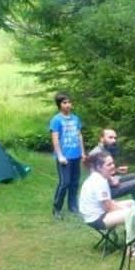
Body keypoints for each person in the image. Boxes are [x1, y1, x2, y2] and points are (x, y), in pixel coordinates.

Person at [50, 91, 86, 219]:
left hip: (75, 155)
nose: (68, 105)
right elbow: (55, 138)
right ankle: (57, 209)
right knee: (65, 182)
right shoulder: (56, 120)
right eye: (65, 103)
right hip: (64, 157)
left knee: (75, 182)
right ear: (59, 105)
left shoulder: (76, 118)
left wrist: (82, 152)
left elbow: (79, 135)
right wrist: (60, 156)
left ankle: (73, 206)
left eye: (69, 102)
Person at [79, 151, 135, 230]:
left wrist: (120, 206)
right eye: (109, 165)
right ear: (99, 167)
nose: (113, 166)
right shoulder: (99, 182)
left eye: (112, 163)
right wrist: (125, 209)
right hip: (97, 219)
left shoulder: (101, 176)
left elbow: (108, 203)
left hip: (99, 212)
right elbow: (109, 208)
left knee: (132, 203)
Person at [88, 128, 135, 199]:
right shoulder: (95, 153)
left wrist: (117, 170)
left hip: (110, 181)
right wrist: (111, 180)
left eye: (115, 138)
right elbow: (95, 176)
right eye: (110, 137)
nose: (114, 140)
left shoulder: (107, 149)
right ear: (102, 139)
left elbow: (104, 170)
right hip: (102, 189)